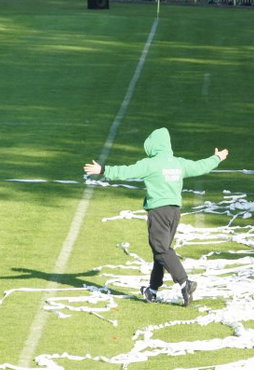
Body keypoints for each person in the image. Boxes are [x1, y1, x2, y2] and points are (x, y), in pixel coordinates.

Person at [83, 128, 229, 307]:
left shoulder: (150, 164)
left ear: (152, 145)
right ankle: (152, 290)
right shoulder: (178, 163)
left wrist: (103, 169)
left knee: (161, 250)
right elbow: (200, 166)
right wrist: (217, 157)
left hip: (159, 211)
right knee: (160, 251)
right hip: (174, 212)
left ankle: (185, 283)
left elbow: (126, 171)